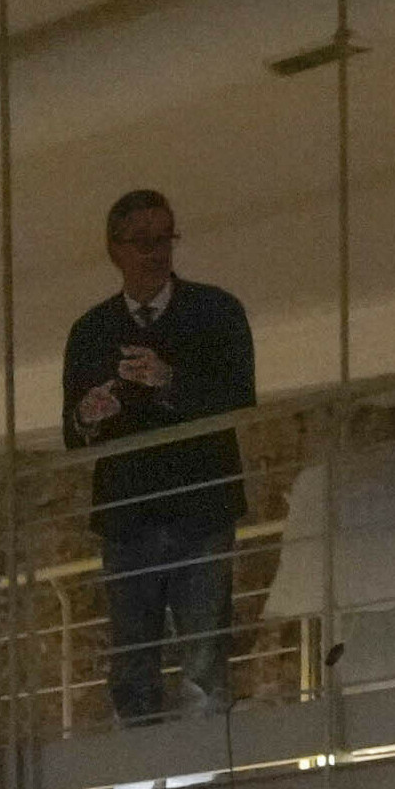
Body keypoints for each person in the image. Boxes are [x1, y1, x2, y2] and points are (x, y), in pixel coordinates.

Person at [63, 188, 258, 722]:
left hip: (201, 507)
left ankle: (206, 759)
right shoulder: (91, 333)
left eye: (164, 237)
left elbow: (239, 399)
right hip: (128, 515)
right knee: (132, 659)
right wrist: (91, 414)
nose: (155, 251)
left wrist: (169, 380)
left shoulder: (216, 312)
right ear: (115, 249)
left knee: (204, 653)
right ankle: (139, 757)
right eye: (142, 240)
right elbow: (73, 432)